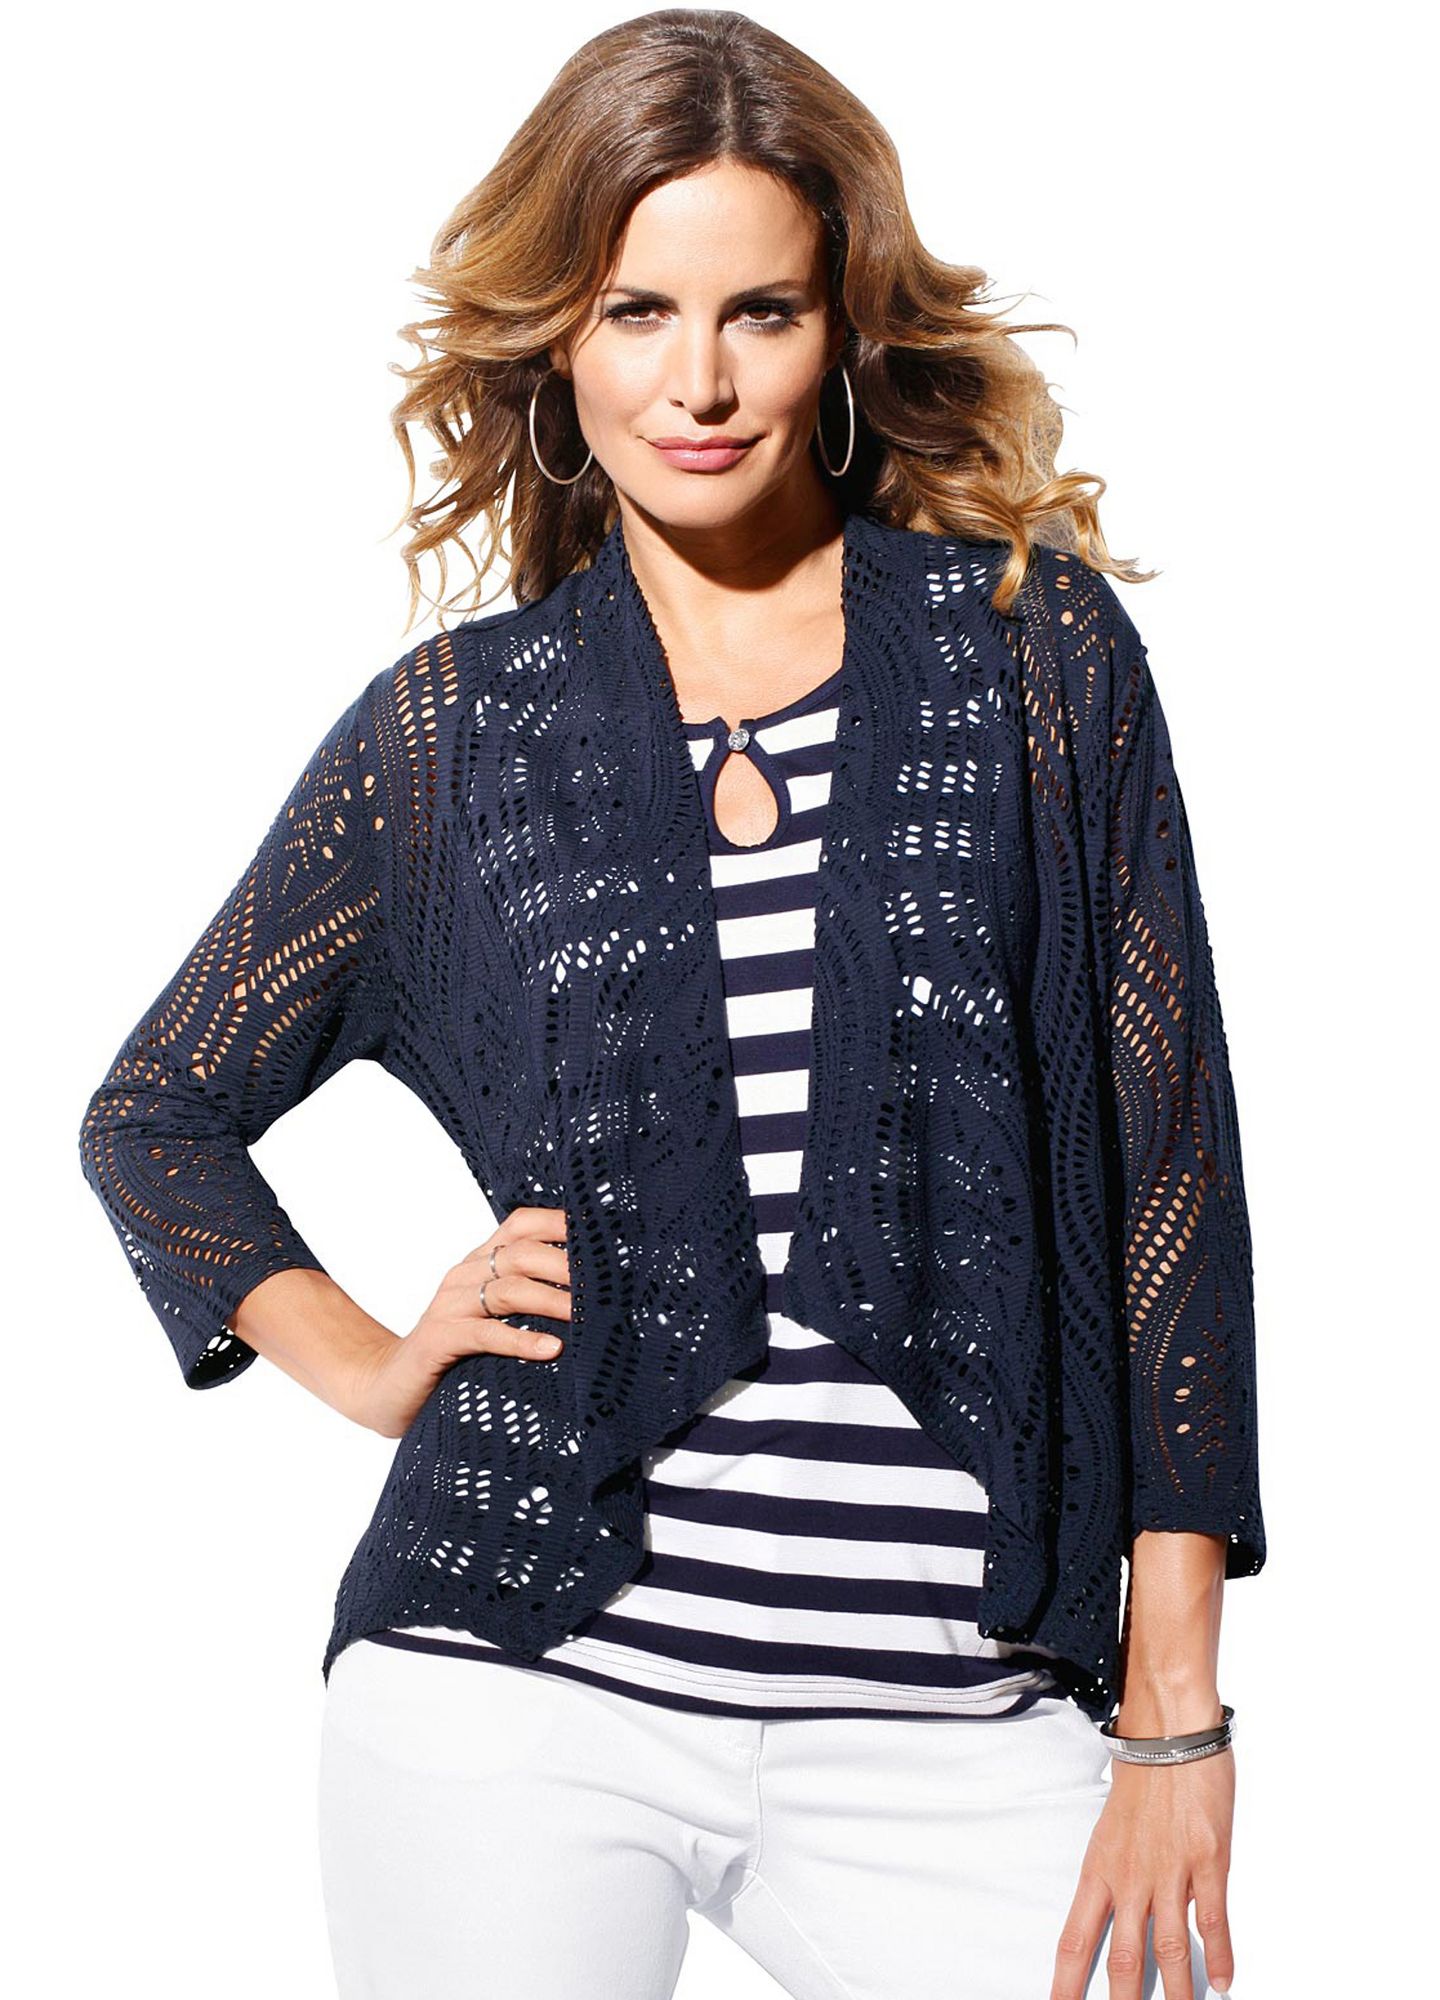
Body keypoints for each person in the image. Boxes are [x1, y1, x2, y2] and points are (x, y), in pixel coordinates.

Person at [77, 12, 1265, 1999]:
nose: (696, 382)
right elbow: (156, 1112)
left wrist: (1176, 1718)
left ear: (842, 330)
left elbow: (1172, 1197)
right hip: (515, 1689)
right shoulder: (461, 733)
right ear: (561, 335)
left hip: (956, 1720)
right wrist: (375, 1364)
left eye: (759, 312)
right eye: (637, 310)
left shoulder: (1031, 662)